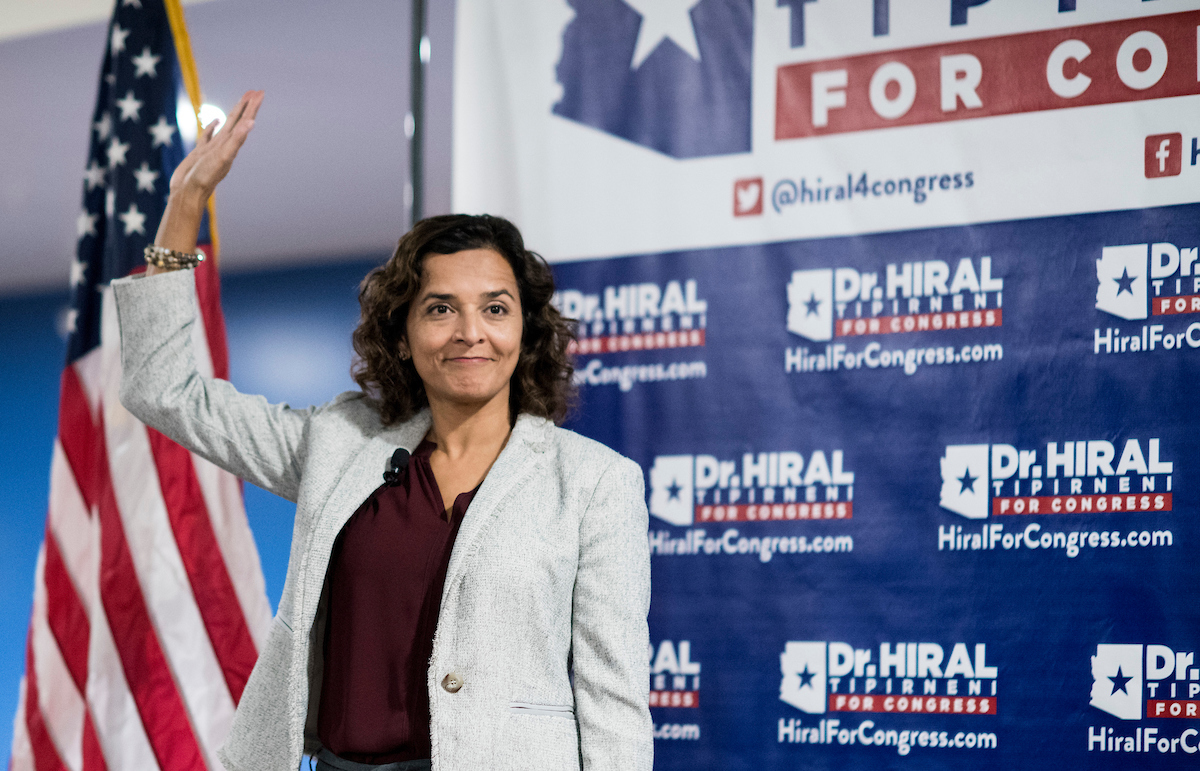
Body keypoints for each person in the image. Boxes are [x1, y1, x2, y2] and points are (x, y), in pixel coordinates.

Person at [113, 91, 652, 771]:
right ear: (401, 335)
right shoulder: (340, 443)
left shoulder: (594, 482)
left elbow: (614, 698)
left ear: (526, 329)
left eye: (495, 307)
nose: (470, 332)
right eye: (439, 308)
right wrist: (186, 201)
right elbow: (165, 390)